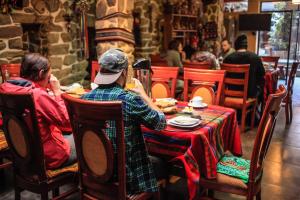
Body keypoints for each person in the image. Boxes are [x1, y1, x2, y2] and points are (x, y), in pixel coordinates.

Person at [81, 48, 166, 195]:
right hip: (126, 176)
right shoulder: (129, 99)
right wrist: (144, 95)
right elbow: (161, 123)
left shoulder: (85, 99)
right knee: (163, 163)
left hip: (93, 170)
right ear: (124, 73)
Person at [0, 53, 76, 169]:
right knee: (82, 136)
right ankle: (88, 182)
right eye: (49, 75)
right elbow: (67, 124)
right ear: (41, 73)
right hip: (49, 157)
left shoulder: (5, 88)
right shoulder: (37, 95)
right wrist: (57, 92)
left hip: (23, 155)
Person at [223, 34, 265, 101]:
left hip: (230, 95)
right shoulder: (255, 58)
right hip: (249, 96)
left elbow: (223, 77)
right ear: (246, 46)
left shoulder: (227, 59)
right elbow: (262, 75)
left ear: (236, 46)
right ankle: (257, 109)